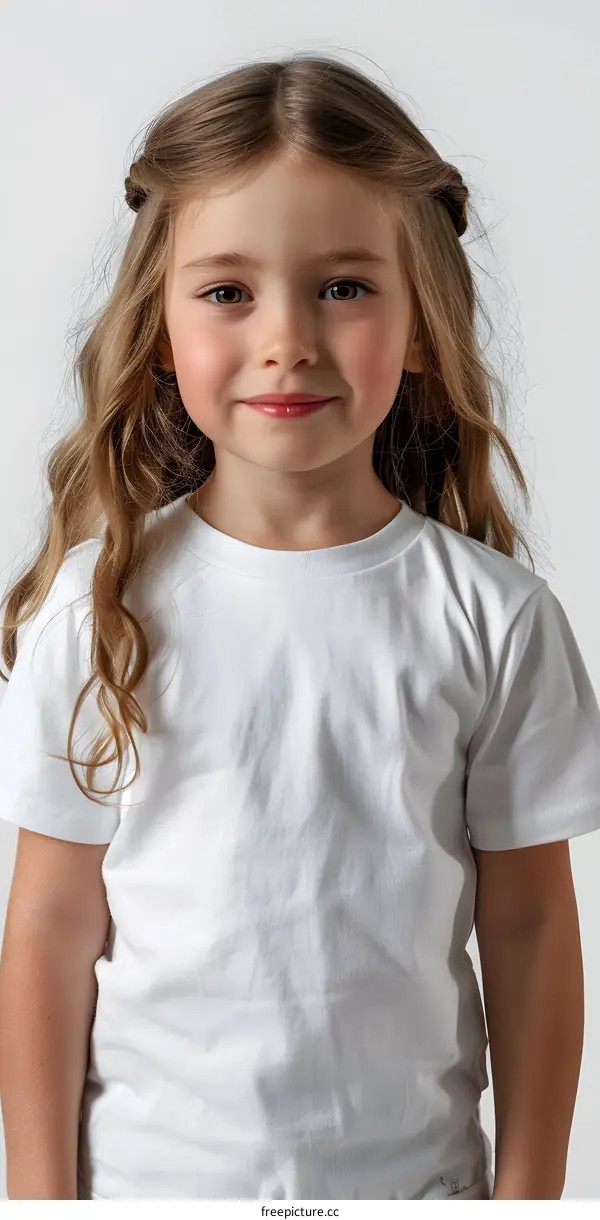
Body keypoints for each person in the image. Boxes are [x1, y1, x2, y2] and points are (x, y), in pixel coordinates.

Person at [0, 53, 599, 1204]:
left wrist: (528, 1200)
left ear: (422, 323)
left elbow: (528, 930)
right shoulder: (99, 606)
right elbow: (48, 931)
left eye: (343, 286)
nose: (287, 337)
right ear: (160, 329)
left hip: (415, 1191)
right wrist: (40, 1200)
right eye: (228, 291)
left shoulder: (495, 617)